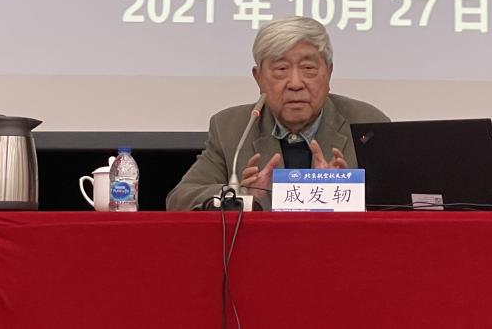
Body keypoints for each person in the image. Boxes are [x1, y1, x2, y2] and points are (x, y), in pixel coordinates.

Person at [166, 17, 389, 211]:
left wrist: (348, 194)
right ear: (258, 78)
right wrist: (241, 196)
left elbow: (397, 205)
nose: (295, 83)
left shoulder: (367, 123)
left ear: (329, 73)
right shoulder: (232, 128)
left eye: (308, 68)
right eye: (281, 69)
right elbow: (179, 199)